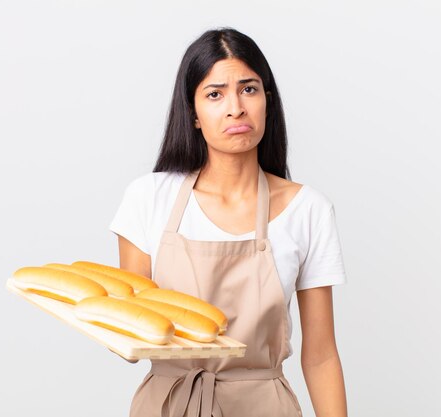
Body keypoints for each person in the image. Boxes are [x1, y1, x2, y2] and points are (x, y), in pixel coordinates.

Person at [109, 27, 348, 417]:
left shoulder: (308, 209)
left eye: (249, 89)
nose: (235, 107)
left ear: (267, 101)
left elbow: (320, 356)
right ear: (194, 114)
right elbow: (129, 337)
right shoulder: (148, 198)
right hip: (168, 405)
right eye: (215, 93)